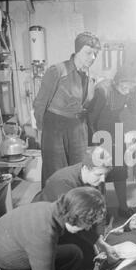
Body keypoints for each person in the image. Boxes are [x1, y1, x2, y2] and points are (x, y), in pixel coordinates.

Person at [0, 187, 113, 270]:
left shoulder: (55, 209)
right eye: (88, 224)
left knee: (73, 254)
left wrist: (103, 245)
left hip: (16, 255)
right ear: (75, 219)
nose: (89, 228)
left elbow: (80, 228)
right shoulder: (43, 236)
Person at [33, 32, 101, 187]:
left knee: (79, 171)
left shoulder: (89, 77)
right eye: (88, 53)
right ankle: (54, 208)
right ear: (77, 51)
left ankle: (75, 208)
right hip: (55, 128)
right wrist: (42, 131)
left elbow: (86, 106)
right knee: (56, 173)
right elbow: (40, 104)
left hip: (78, 128)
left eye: (95, 54)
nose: (92, 58)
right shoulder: (57, 71)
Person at [32, 146, 112, 270]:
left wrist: (100, 236)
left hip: (74, 221)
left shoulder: (97, 179)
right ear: (85, 168)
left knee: (96, 257)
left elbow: (101, 208)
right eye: (99, 174)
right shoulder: (63, 182)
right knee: (80, 257)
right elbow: (74, 220)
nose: (103, 179)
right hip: (47, 224)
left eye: (105, 175)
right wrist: (95, 241)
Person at [87, 65, 136, 218]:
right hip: (97, 131)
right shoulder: (102, 91)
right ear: (118, 81)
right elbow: (90, 119)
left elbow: (133, 111)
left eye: (133, 86)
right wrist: (94, 144)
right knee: (100, 173)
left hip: (116, 130)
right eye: (127, 86)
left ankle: (123, 208)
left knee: (120, 170)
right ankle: (100, 212)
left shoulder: (131, 90)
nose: (129, 90)